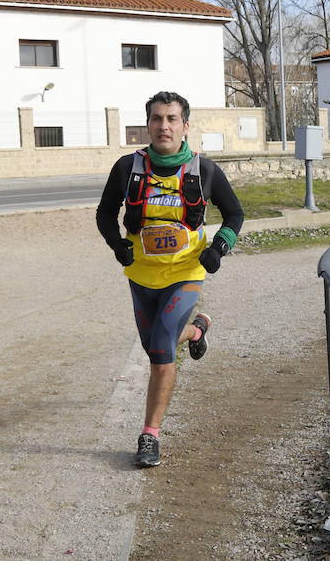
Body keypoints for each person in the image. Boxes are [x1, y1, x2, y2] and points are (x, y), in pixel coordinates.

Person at [96, 91, 244, 468]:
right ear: (148, 125)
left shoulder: (204, 171)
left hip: (186, 273)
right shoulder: (127, 168)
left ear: (185, 126)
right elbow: (104, 213)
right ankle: (196, 330)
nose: (164, 126)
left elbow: (234, 214)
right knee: (154, 345)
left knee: (161, 351)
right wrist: (117, 244)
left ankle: (149, 436)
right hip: (141, 275)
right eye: (157, 119)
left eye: (172, 119)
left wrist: (219, 249)